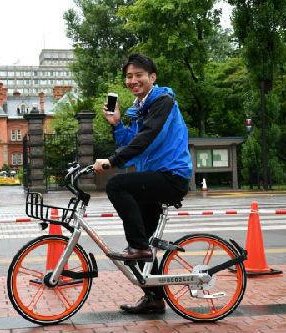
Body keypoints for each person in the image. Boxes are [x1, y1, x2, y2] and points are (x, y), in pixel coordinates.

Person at [93, 54, 193, 314]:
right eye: (129, 76)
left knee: (117, 186)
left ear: (152, 77)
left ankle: (139, 248)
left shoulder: (163, 102)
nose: (133, 80)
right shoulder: (140, 108)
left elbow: (146, 138)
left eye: (139, 75)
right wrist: (117, 124)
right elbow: (132, 143)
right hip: (154, 176)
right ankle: (154, 298)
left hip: (172, 176)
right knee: (137, 245)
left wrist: (111, 162)